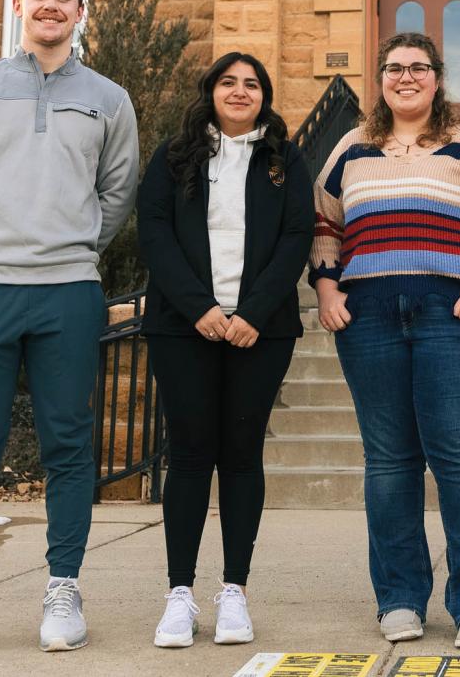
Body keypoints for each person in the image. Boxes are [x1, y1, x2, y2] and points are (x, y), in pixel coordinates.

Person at [0, 0, 139, 656]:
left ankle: (63, 588)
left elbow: (116, 195)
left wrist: (69, 250)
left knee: (69, 447)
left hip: (68, 293)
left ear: (80, 13)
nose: (51, 5)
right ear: (19, 4)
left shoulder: (109, 99)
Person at [310, 31, 460, 650]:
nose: (406, 77)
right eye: (395, 68)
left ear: (437, 77)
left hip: (453, 315)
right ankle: (399, 599)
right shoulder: (351, 148)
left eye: (419, 68)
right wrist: (328, 292)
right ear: (380, 79)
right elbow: (326, 224)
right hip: (369, 316)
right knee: (389, 462)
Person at [136, 52, 313, 648]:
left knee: (241, 453)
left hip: (260, 331)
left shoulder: (284, 160)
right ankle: (179, 596)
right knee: (188, 454)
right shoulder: (173, 156)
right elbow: (154, 234)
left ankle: (234, 591)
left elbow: (296, 238)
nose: (240, 92)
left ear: (265, 95)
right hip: (183, 326)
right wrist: (202, 309)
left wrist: (252, 313)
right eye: (229, 82)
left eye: (252, 84)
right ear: (210, 91)